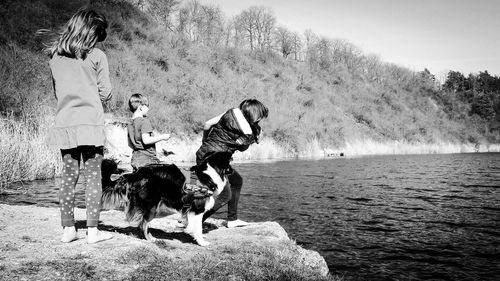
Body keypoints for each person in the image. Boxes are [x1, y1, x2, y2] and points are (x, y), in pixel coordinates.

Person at [43, 9, 113, 243]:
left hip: (65, 122)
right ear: (92, 32)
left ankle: (68, 230)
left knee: (68, 176)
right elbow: (106, 92)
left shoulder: (54, 56)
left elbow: (57, 92)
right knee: (93, 177)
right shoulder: (97, 56)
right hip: (90, 123)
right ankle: (93, 232)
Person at [197, 99, 268, 228]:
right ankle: (196, 221)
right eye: (260, 117)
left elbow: (207, 124)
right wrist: (255, 140)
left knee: (236, 181)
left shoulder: (231, 112)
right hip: (216, 162)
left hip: (204, 154)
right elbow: (241, 148)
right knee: (225, 196)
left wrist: (205, 142)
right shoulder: (247, 132)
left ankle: (232, 219)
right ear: (254, 114)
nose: (259, 120)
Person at [127, 93, 170, 171]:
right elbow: (146, 141)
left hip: (135, 159)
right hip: (148, 159)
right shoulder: (144, 121)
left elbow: (130, 144)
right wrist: (163, 137)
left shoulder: (130, 123)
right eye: (147, 106)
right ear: (140, 107)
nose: (148, 109)